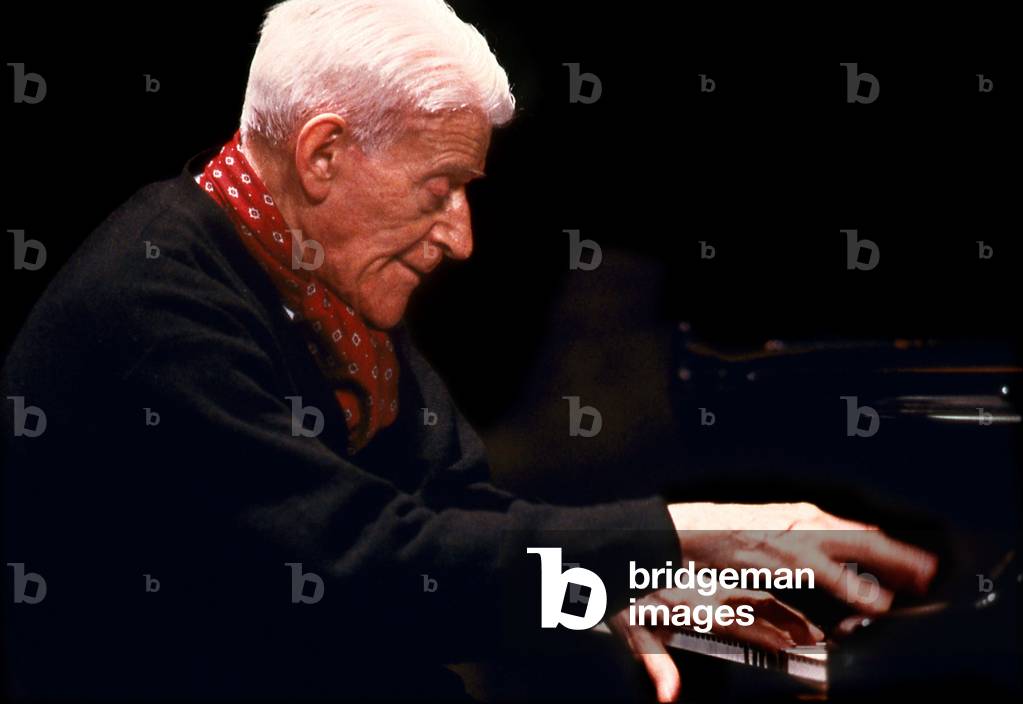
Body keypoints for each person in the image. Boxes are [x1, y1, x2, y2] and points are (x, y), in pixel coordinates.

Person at [2, 1, 936, 700]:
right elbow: (361, 566)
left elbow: (451, 512)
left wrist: (612, 585)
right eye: (440, 186)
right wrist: (673, 532)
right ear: (325, 155)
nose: (462, 237)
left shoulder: (317, 265)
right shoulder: (154, 302)